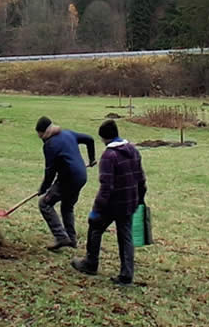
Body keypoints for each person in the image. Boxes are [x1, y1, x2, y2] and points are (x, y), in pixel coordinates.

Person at [72, 119, 147, 285]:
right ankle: (126, 275)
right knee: (125, 236)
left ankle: (90, 263)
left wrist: (96, 210)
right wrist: (140, 199)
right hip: (130, 201)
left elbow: (106, 187)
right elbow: (141, 178)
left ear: (104, 138)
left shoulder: (108, 156)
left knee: (95, 226)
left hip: (113, 203)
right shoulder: (133, 150)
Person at [34, 116, 97, 252]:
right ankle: (71, 239)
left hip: (68, 179)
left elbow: (50, 171)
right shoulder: (68, 134)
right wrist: (92, 159)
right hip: (81, 176)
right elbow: (90, 139)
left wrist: (43, 188)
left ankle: (61, 237)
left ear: (43, 132)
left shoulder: (49, 145)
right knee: (67, 206)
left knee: (44, 204)